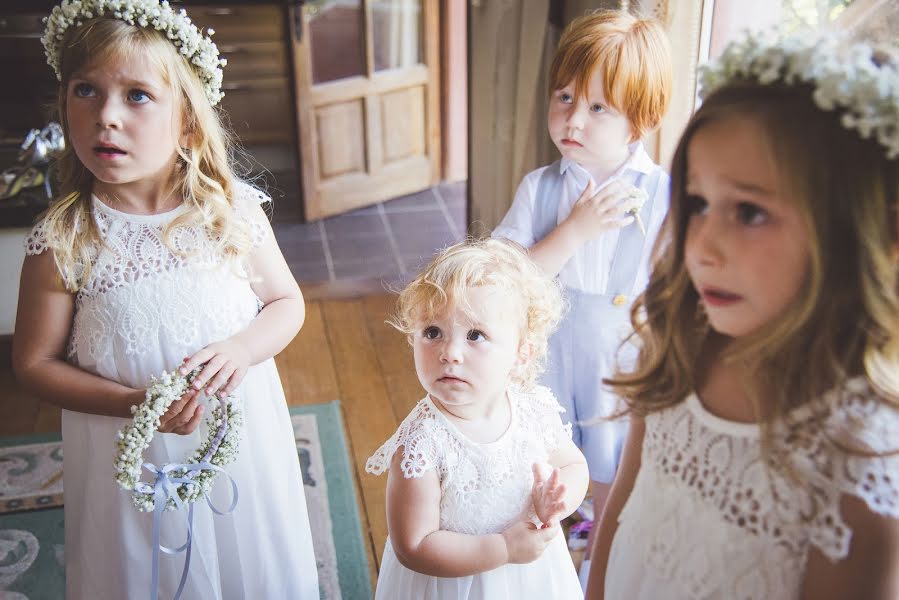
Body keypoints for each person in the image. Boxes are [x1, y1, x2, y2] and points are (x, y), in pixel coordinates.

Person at [12, 1, 319, 597]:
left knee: (246, 559)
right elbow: (34, 363)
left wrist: (240, 349)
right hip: (129, 451)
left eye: (137, 96)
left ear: (186, 124)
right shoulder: (64, 239)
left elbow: (287, 302)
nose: (106, 117)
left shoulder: (230, 213)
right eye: (86, 91)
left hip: (240, 440)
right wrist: (134, 403)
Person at [587, 29, 899, 599]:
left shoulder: (858, 463)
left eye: (750, 212)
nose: (702, 244)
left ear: (862, 234)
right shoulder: (678, 344)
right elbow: (622, 510)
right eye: (699, 203)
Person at [491, 9, 672, 584]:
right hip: (546, 352)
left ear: (638, 122)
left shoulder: (665, 194)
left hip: (621, 355)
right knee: (547, 450)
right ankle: (547, 545)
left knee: (610, 457)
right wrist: (573, 232)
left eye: (599, 107)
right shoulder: (540, 188)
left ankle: (604, 546)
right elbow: (503, 281)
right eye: (564, 97)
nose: (574, 118)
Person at [365, 238, 589, 599]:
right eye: (432, 332)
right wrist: (503, 549)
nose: (450, 353)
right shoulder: (422, 444)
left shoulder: (534, 409)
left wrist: (559, 501)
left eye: (475, 335)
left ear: (520, 355)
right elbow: (415, 545)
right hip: (454, 584)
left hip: (531, 577)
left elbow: (572, 465)